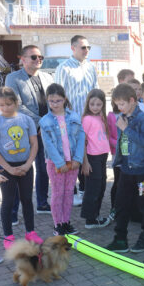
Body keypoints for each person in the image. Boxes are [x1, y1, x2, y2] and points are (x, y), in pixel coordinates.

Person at [0, 87, 42, 249]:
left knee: (27, 200)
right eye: (2, 105)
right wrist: (9, 169)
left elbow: (34, 144)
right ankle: (8, 236)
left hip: (26, 166)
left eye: (9, 104)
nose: (5, 108)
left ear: (16, 103)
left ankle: (30, 232)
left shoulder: (26, 120)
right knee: (8, 201)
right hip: (6, 168)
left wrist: (27, 164)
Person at [105, 84, 144, 253]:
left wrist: (126, 128)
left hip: (142, 172)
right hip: (126, 170)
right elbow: (120, 142)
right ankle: (120, 238)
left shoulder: (142, 119)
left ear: (132, 101)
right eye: (117, 105)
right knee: (121, 204)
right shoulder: (121, 116)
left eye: (122, 104)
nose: (119, 108)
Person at [5, 45, 52, 214]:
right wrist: (40, 123)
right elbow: (16, 104)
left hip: (44, 131)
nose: (38, 59)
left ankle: (42, 203)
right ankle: (13, 211)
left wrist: (48, 124)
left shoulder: (48, 77)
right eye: (34, 57)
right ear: (22, 59)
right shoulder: (12, 78)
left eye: (40, 57)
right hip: (23, 132)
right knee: (21, 170)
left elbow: (54, 102)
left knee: (44, 168)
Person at [54, 35, 97, 207]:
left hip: (89, 122)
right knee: (70, 158)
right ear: (73, 48)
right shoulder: (63, 68)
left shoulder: (91, 67)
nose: (86, 50)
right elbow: (57, 96)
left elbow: (96, 93)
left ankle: (84, 190)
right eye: (83, 47)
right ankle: (70, 193)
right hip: (70, 123)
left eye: (88, 47)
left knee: (86, 156)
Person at [39, 84, 85, 236]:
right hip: (55, 164)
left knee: (68, 192)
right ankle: (58, 224)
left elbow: (80, 138)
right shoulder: (45, 121)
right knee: (58, 193)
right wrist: (60, 163)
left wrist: (78, 159)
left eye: (58, 101)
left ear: (64, 99)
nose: (55, 104)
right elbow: (49, 146)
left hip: (73, 162)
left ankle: (66, 222)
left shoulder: (74, 117)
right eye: (51, 101)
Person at [79, 89, 111, 229]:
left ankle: (95, 215)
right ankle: (90, 220)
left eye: (99, 104)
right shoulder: (87, 119)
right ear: (88, 104)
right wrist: (85, 162)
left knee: (101, 187)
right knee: (92, 189)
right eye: (93, 104)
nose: (96, 107)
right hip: (92, 158)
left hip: (102, 156)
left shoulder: (101, 117)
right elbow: (82, 142)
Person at [107, 101, 120, 221]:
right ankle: (114, 207)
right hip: (117, 154)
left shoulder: (127, 114)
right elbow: (109, 135)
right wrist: (118, 145)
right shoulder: (110, 116)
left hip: (129, 155)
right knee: (117, 181)